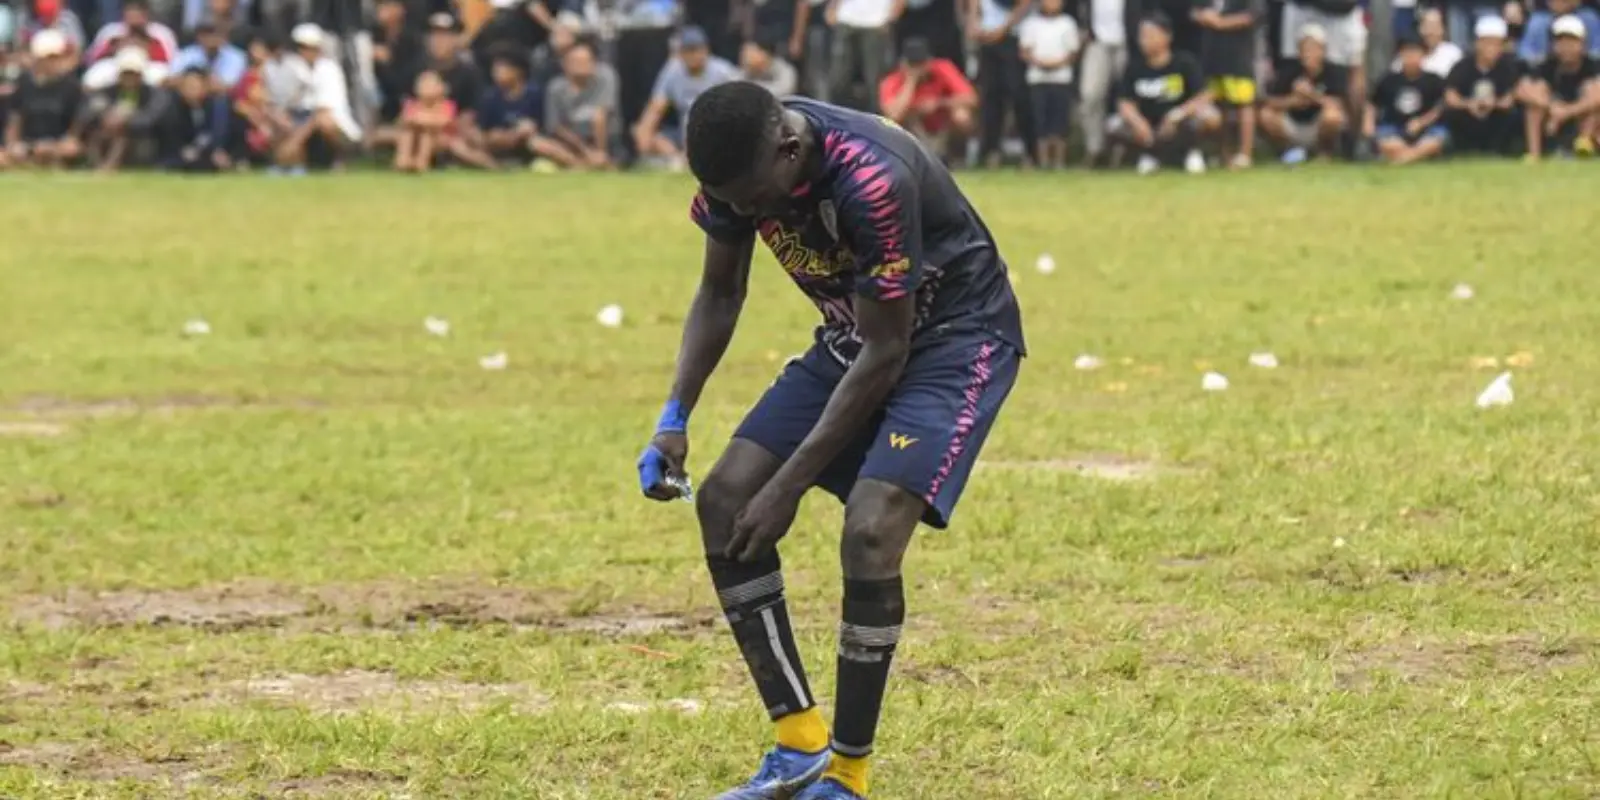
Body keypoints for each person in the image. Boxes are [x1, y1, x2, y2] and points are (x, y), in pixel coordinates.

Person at [639, 81, 1024, 800]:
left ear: (788, 152)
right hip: (858, 330)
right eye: (729, 202)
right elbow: (720, 292)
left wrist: (786, 488)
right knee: (725, 500)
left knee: (871, 530)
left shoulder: (871, 177)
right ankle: (799, 743)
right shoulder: (738, 170)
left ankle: (848, 776)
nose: (744, 214)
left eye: (753, 201)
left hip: (954, 339)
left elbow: (888, 351)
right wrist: (674, 415)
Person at [1112, 13, 1219, 174]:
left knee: (1210, 116)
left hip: (1180, 122)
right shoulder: (1134, 67)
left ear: (1167, 37)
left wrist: (1177, 115)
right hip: (1149, 122)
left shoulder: (1184, 62)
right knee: (1114, 126)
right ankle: (1150, 154)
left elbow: (1205, 95)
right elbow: (1125, 102)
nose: (1144, 41)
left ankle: (1189, 152)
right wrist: (1138, 122)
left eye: (1150, 35)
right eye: (1142, 36)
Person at [633, 25, 739, 167]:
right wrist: (644, 131)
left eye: (697, 49)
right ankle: (679, 159)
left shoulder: (723, 72)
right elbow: (656, 107)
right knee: (650, 136)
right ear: (681, 53)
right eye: (688, 51)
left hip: (716, 130)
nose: (693, 55)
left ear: (706, 50)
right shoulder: (673, 70)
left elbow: (742, 106)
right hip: (685, 131)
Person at [475, 43, 579, 167]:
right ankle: (496, 166)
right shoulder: (490, 97)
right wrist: (509, 134)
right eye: (495, 70)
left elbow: (544, 125)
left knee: (537, 143)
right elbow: (485, 131)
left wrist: (529, 128)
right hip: (502, 143)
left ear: (518, 71)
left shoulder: (535, 94)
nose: (496, 73)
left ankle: (577, 164)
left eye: (502, 69)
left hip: (531, 142)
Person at [875, 37, 977, 162]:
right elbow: (893, 116)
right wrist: (911, 81)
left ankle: (956, 157)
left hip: (942, 125)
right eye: (914, 65)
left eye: (921, 64)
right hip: (914, 130)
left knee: (961, 115)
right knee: (896, 124)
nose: (919, 69)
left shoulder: (943, 68)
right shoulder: (891, 81)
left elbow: (971, 98)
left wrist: (939, 104)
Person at [1261, 24, 1349, 163]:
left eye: (1313, 49)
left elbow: (1338, 104)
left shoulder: (1333, 71)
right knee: (1266, 115)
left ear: (1322, 50)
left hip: (1317, 124)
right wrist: (1293, 101)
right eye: (1305, 49)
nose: (1309, 53)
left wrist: (1311, 95)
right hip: (1293, 122)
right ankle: (1287, 151)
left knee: (1333, 117)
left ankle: (1323, 152)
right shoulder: (1289, 69)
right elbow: (1270, 102)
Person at [1517, 14, 1599, 158]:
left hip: (1580, 116)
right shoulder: (1546, 65)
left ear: (1582, 44)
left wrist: (1567, 112)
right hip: (1550, 117)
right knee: (1535, 101)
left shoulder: (1592, 66)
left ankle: (1584, 144)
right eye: (1561, 42)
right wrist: (1551, 106)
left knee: (1592, 91)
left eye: (1572, 42)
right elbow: (1521, 90)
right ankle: (1534, 154)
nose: (1566, 47)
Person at [1191, 0, 1260, 168]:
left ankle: (1245, 154)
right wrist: (1202, 16)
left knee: (1244, 103)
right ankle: (1223, 154)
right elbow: (1193, 11)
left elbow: (1252, 16)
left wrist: (1220, 23)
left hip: (1238, 56)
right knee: (1220, 105)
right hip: (1212, 55)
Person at [2, 28, 82, 169]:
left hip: (57, 145)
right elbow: (15, 120)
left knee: (70, 149)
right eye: (48, 58)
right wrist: (14, 145)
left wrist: (57, 145)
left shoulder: (71, 87)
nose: (52, 62)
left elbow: (75, 127)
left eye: (56, 58)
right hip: (28, 145)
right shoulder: (23, 84)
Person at [1366, 35, 1449, 164]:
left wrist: (1422, 122)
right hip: (1394, 128)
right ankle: (1416, 155)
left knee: (1436, 140)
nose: (1411, 57)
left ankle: (1405, 157)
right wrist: (1368, 124)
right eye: (1407, 53)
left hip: (1426, 129)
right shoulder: (1388, 80)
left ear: (1424, 55)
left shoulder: (1434, 80)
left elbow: (1441, 106)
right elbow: (1373, 104)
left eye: (1415, 52)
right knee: (1387, 142)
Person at [1444, 15, 1521, 155]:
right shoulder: (1462, 66)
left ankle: (1499, 150)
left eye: (1497, 44)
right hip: (1468, 112)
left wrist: (1494, 103)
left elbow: (1511, 98)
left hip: (1495, 113)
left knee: (1511, 114)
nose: (1491, 48)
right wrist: (1468, 104)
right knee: (1451, 113)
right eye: (1487, 43)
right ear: (1477, 43)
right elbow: (1450, 96)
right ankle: (1463, 150)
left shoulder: (1508, 67)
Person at [1019, 0, 1082, 168]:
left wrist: (1057, 63)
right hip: (1037, 79)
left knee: (1060, 121)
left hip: (1061, 79)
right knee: (1040, 121)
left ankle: (1059, 161)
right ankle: (1043, 160)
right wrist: (1040, 62)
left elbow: (1073, 51)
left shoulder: (1068, 23)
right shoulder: (1031, 23)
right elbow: (1024, 50)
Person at [82, 45, 163, 171]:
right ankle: (97, 165)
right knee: (97, 133)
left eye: (133, 74)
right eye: (126, 74)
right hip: (108, 134)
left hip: (141, 140)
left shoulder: (154, 94)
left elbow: (151, 119)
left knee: (122, 136)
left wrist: (127, 119)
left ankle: (109, 166)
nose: (129, 78)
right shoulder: (107, 91)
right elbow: (89, 110)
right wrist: (107, 116)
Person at [545, 39, 620, 169]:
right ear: (565, 65)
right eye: (576, 62)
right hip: (573, 140)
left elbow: (600, 117)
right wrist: (584, 150)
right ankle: (581, 164)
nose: (582, 65)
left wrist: (599, 151)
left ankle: (597, 161)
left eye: (586, 61)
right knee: (538, 143)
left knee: (603, 150)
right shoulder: (555, 88)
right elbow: (556, 127)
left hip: (604, 138)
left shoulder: (605, 76)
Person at [151, 66, 234, 171]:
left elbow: (217, 134)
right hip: (180, 153)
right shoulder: (171, 109)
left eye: (195, 86)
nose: (191, 90)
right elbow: (171, 139)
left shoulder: (217, 107)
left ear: (205, 87)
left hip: (207, 152)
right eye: (188, 86)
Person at [170, 21, 248, 90]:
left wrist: (201, 85)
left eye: (216, 34)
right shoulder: (186, 54)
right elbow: (171, 80)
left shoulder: (237, 56)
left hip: (221, 98)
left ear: (224, 37)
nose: (211, 38)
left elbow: (231, 86)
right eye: (207, 34)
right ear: (199, 36)